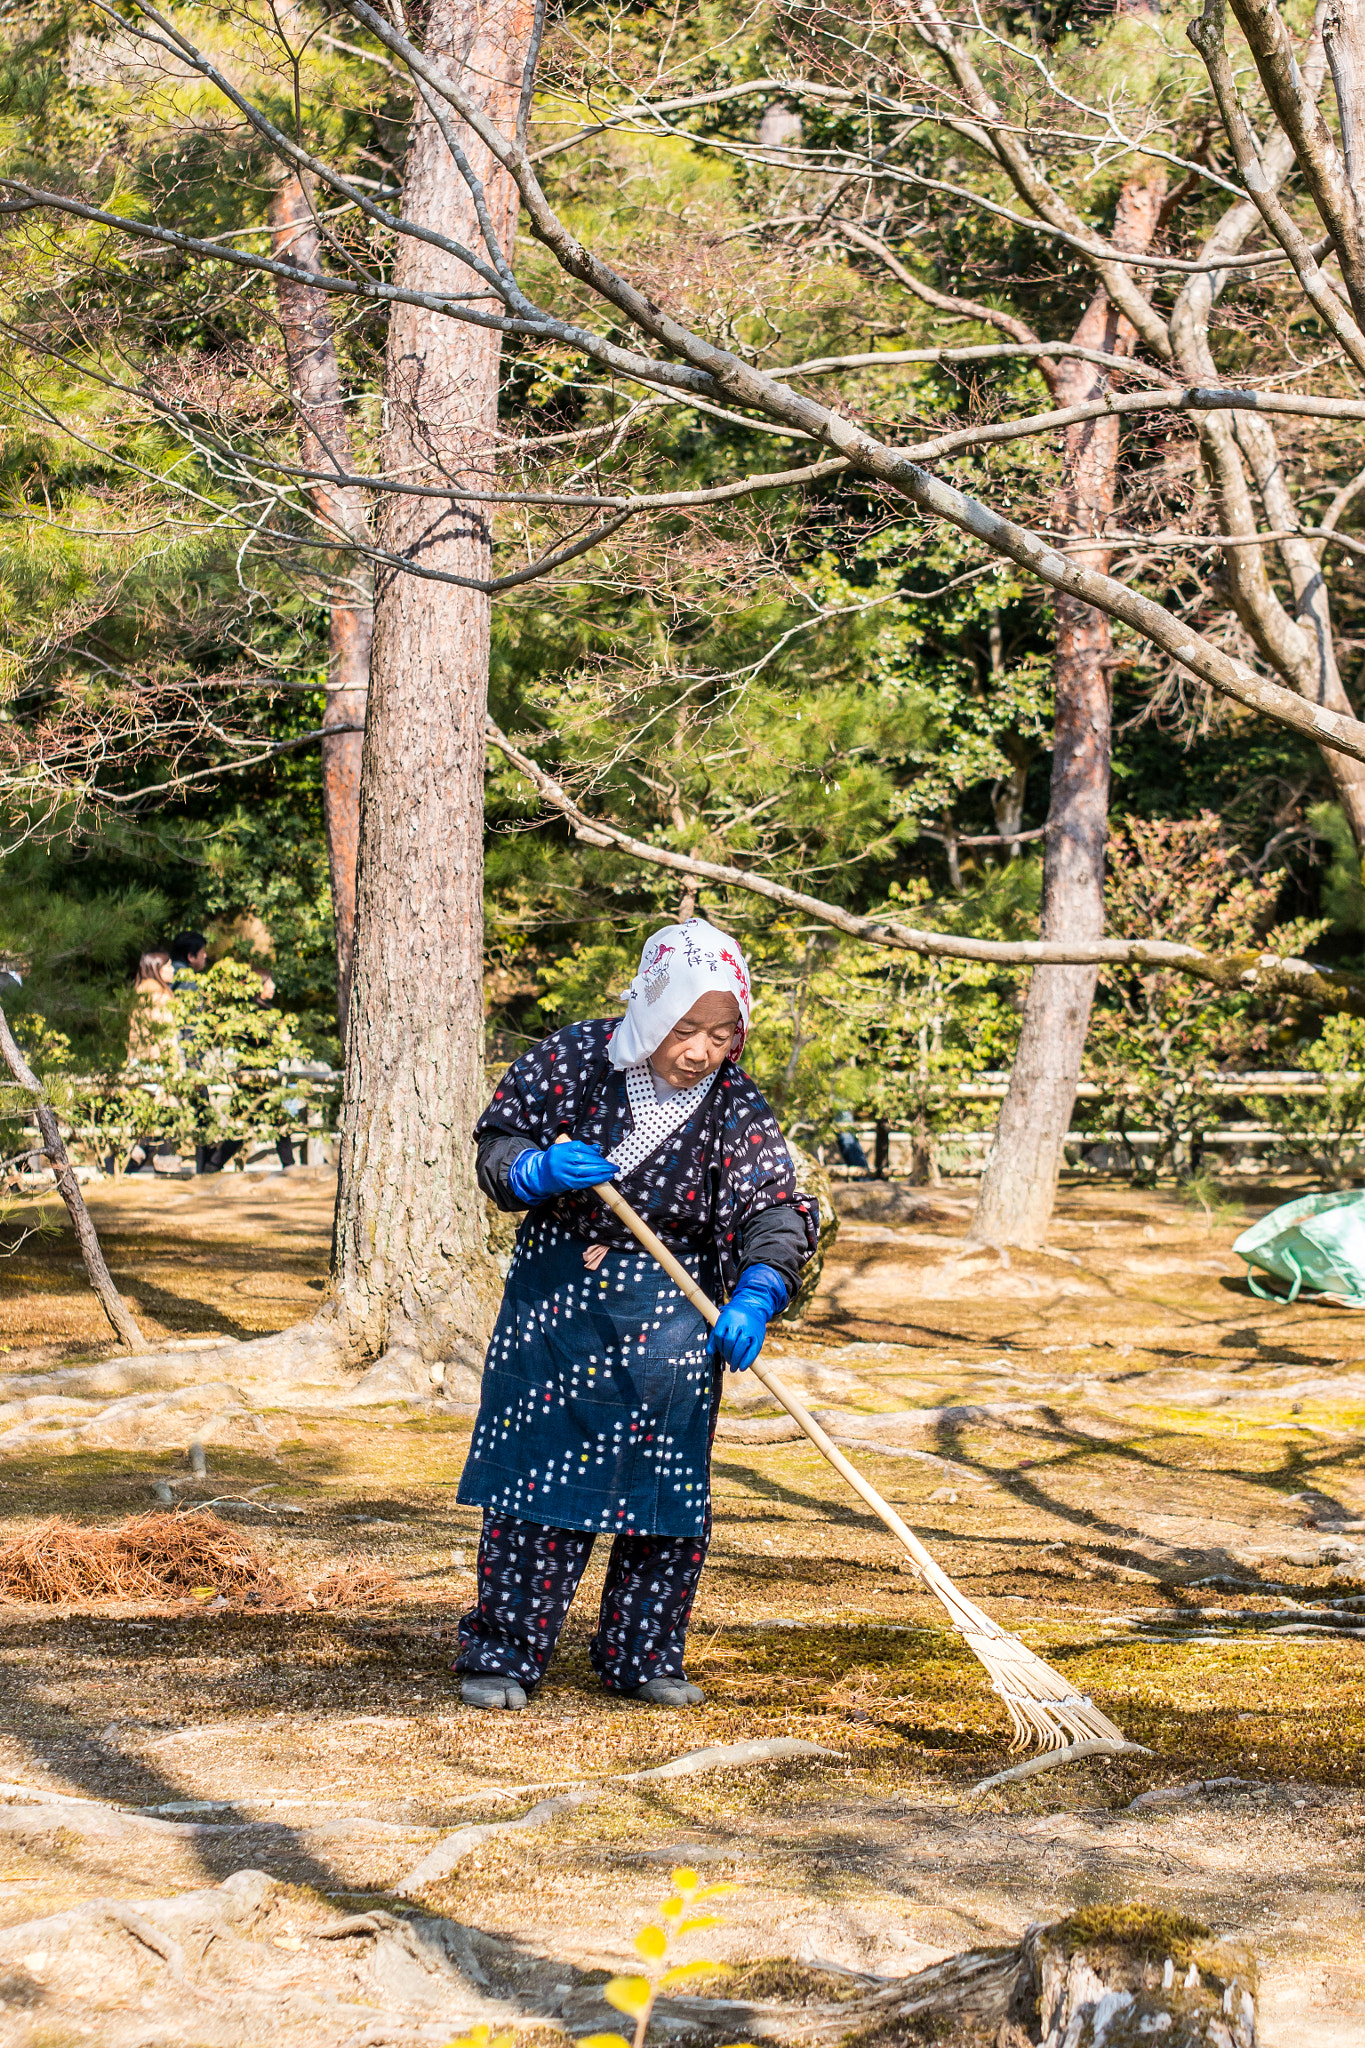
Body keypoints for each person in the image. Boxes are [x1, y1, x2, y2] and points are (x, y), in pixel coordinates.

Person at [455, 919, 817, 1713]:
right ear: (652, 1011)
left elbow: (774, 1206)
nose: (701, 1050)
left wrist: (758, 1289)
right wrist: (535, 1168)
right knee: (535, 1484)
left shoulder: (734, 1105)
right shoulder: (574, 1059)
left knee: (665, 1492)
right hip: (555, 1306)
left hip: (674, 1313)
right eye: (686, 1028)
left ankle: (642, 1655)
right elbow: (498, 1145)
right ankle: (503, 1653)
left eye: (722, 1034)